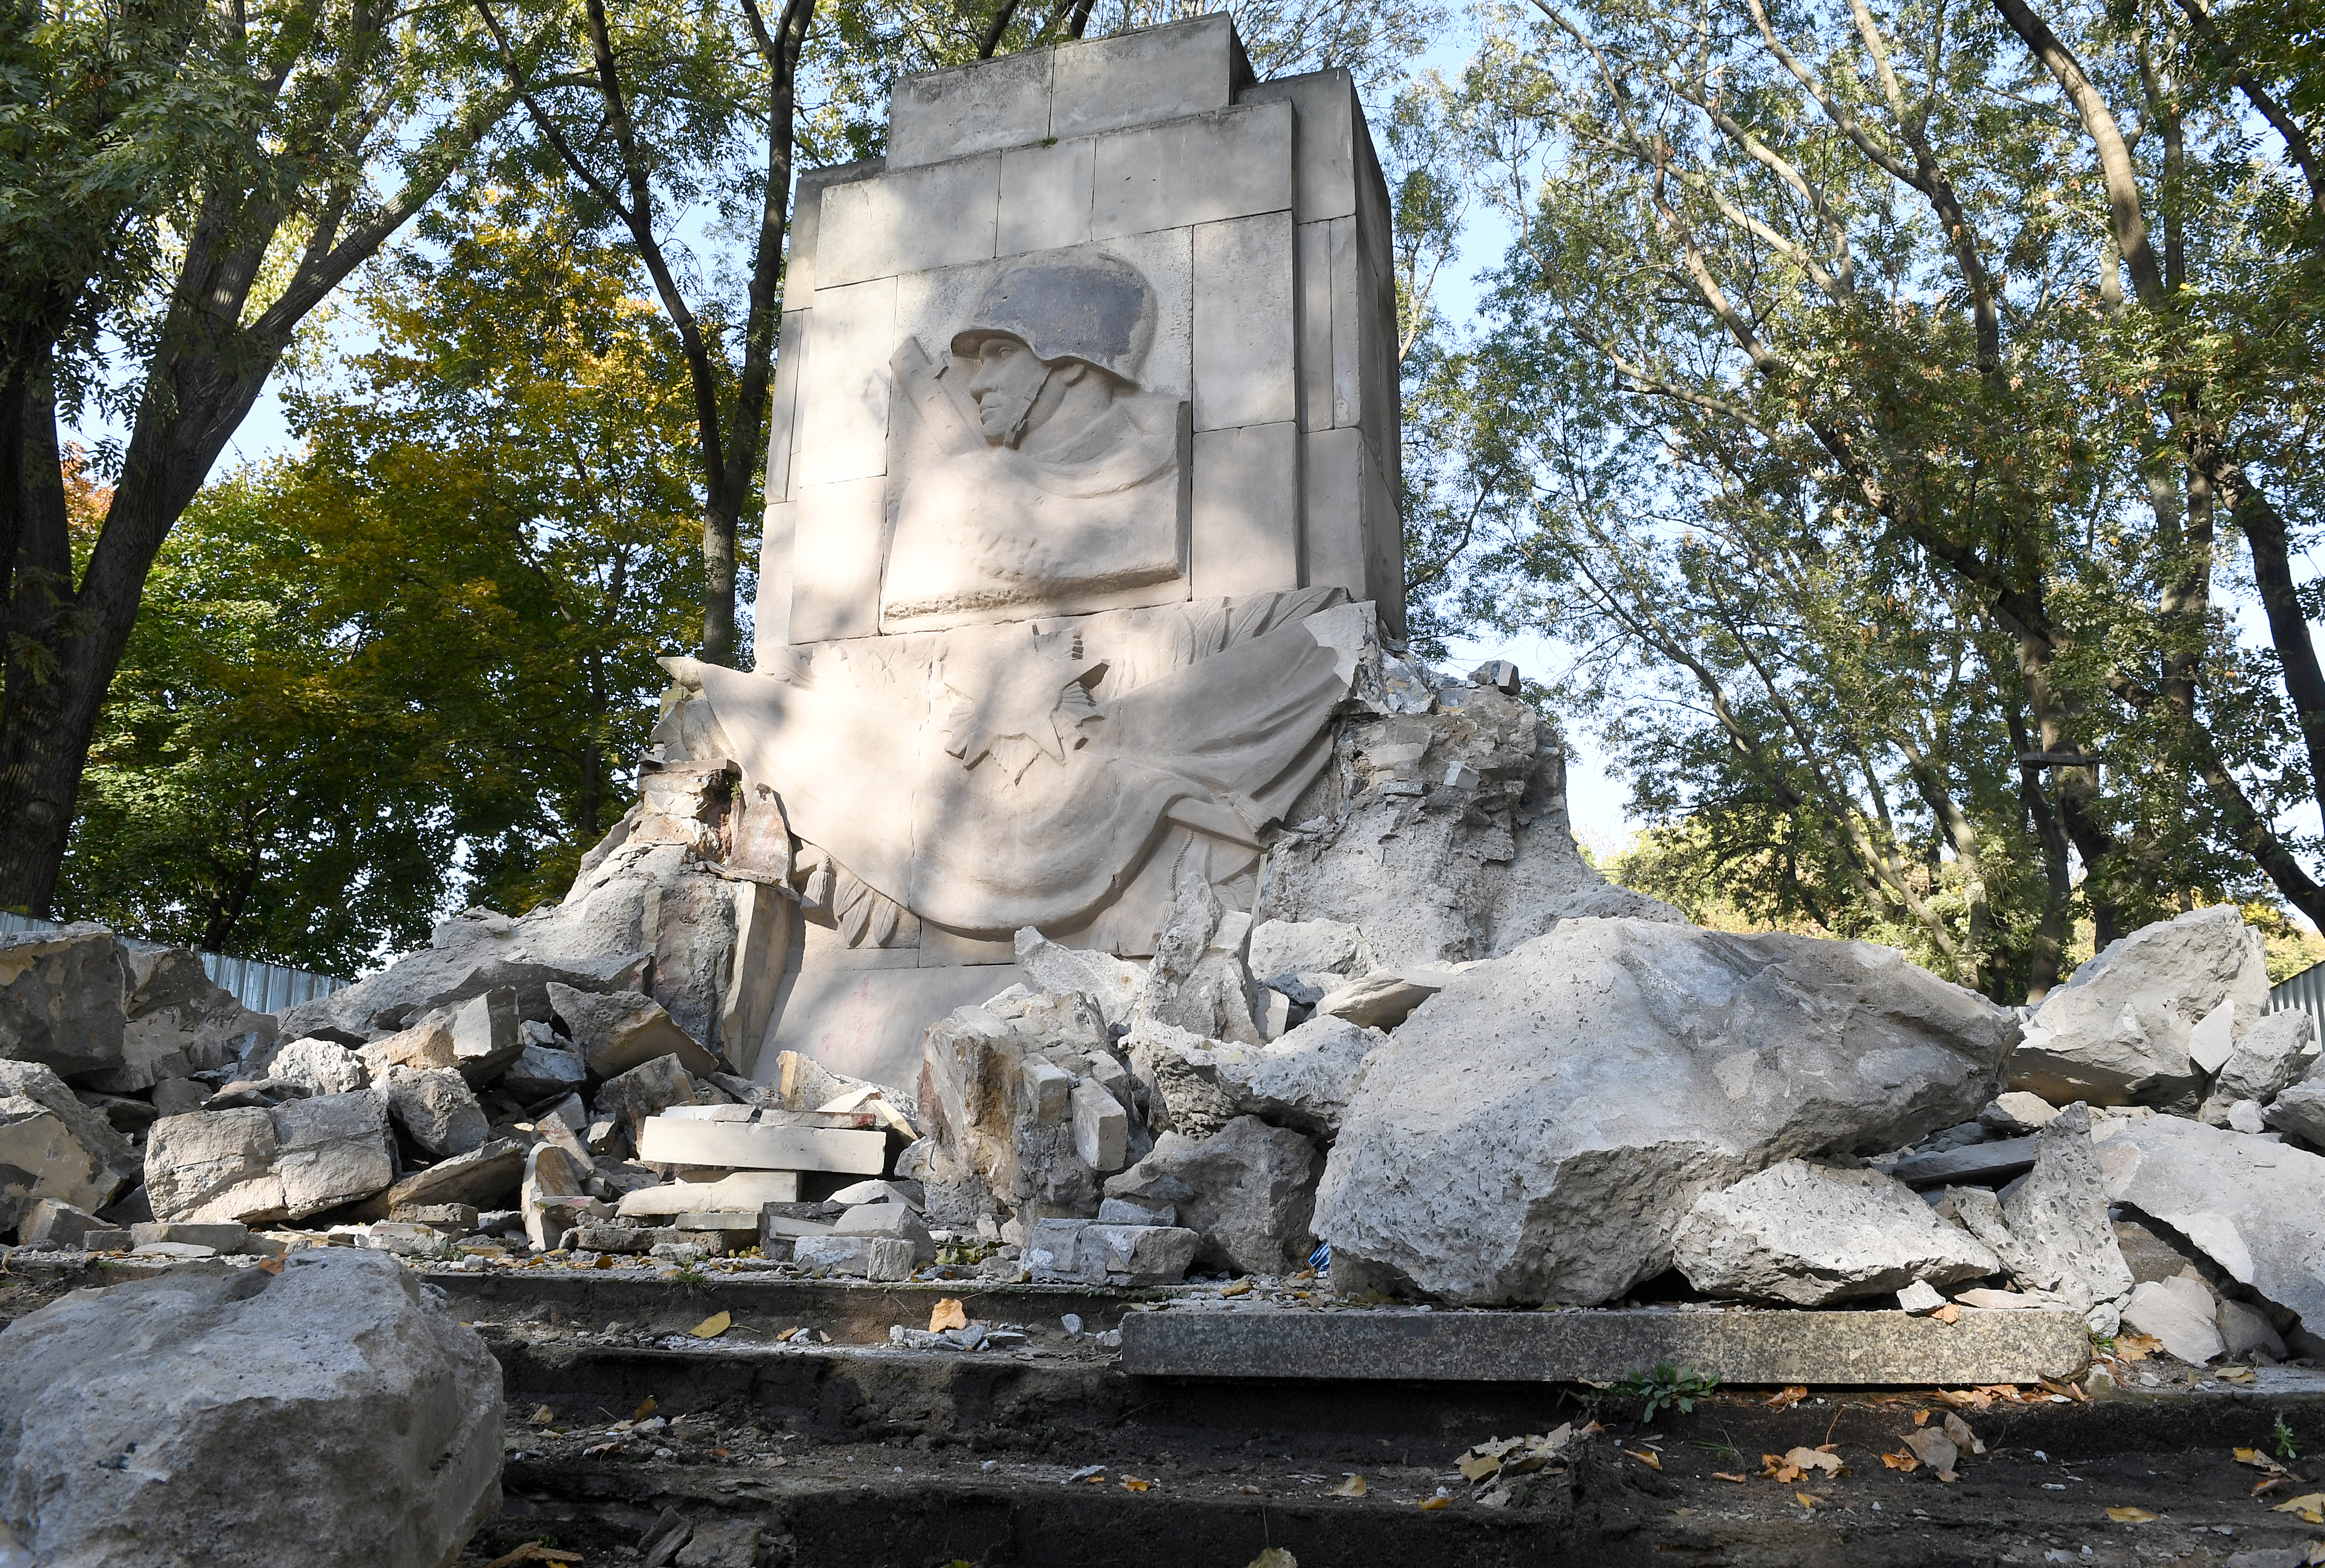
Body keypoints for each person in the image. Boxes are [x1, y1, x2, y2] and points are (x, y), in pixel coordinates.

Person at [880, 251, 1188, 631]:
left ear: (1074, 362)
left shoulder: (1162, 479)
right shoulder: (940, 497)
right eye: (980, 362)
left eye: (1003, 354)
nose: (976, 386)